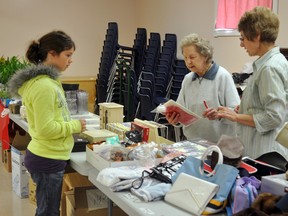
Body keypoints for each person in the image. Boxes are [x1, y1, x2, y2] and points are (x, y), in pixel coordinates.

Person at [8, 30, 86, 216]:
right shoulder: (44, 86)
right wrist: (75, 126)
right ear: (52, 53)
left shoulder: (48, 82)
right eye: (67, 55)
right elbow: (46, 129)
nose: (70, 60)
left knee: (48, 210)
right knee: (48, 212)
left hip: (49, 156)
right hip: (47, 159)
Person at [211, 6, 288, 159]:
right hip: (263, 149)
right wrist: (245, 108)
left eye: (243, 38)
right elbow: (267, 105)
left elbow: (273, 117)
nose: (241, 44)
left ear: (257, 36)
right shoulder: (271, 63)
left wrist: (235, 117)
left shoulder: (269, 68)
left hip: (267, 153)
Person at [165, 33, 240, 143]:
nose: (188, 62)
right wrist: (175, 119)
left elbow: (236, 113)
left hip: (219, 144)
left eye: (192, 57)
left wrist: (219, 114)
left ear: (205, 56)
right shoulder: (188, 79)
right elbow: (181, 109)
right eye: (185, 58)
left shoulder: (223, 76)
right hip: (193, 142)